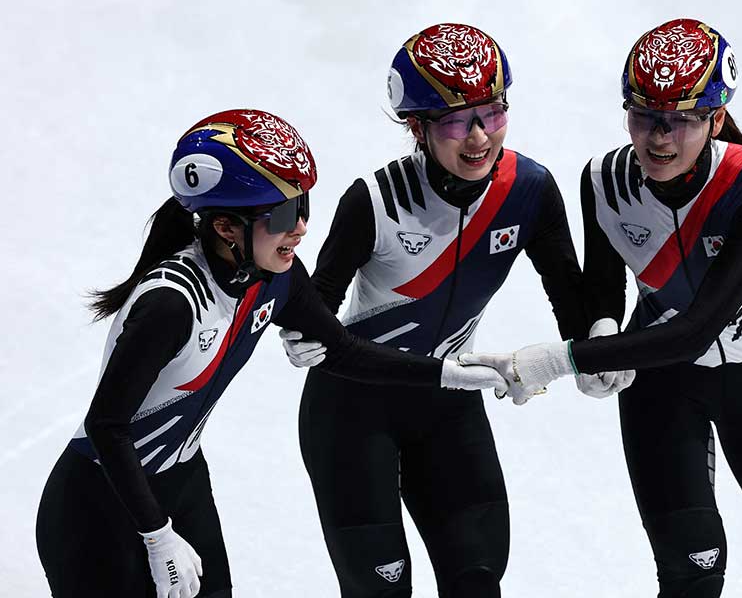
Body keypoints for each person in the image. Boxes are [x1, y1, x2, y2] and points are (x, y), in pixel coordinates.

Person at [34, 109, 504, 598]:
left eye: (303, 205)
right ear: (225, 226)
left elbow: (342, 351)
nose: (300, 228)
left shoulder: (275, 278)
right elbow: (107, 426)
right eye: (281, 215)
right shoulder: (170, 305)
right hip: (97, 504)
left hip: (182, 483)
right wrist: (156, 535)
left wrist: (451, 373)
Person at [461, 19, 742, 598]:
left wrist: (562, 359)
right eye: (644, 115)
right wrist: (599, 328)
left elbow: (697, 330)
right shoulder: (602, 180)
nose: (660, 138)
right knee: (688, 573)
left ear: (716, 120)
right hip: (662, 386)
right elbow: (603, 286)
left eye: (682, 119)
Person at [281, 23, 590, 598]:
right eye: (454, 120)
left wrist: (593, 344)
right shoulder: (375, 200)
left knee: (476, 581)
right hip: (353, 410)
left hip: (448, 406)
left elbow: (572, 300)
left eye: (491, 113)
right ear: (416, 127)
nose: (477, 137)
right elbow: (313, 307)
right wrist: (304, 334)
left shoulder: (529, 189)